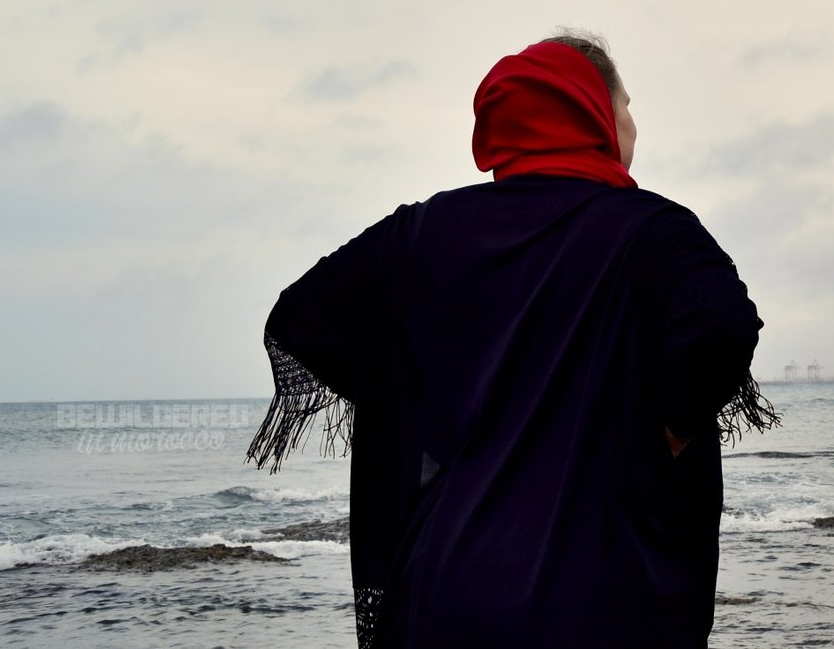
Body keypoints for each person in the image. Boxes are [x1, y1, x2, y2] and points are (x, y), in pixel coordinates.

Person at [246, 33, 776, 648]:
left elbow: (301, 318)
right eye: (625, 106)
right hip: (598, 589)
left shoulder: (422, 232)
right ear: (592, 112)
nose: (633, 124)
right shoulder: (654, 232)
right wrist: (661, 434)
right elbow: (723, 325)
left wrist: (419, 403)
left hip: (444, 580)